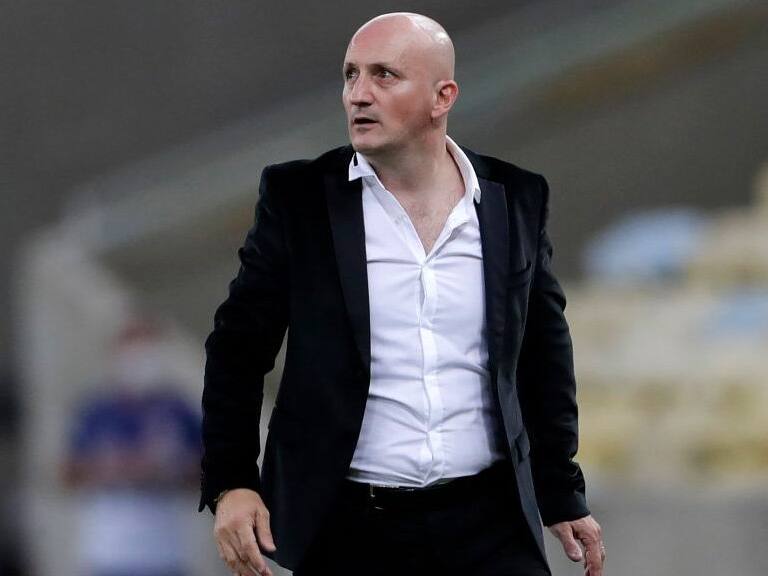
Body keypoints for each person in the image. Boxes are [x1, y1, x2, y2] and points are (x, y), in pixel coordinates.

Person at [200, 12, 605, 576]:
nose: (358, 94)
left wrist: (560, 489)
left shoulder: (514, 197)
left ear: (443, 97)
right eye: (350, 75)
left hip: (489, 524)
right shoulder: (300, 199)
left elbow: (544, 351)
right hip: (350, 529)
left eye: (384, 75)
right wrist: (232, 482)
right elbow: (237, 349)